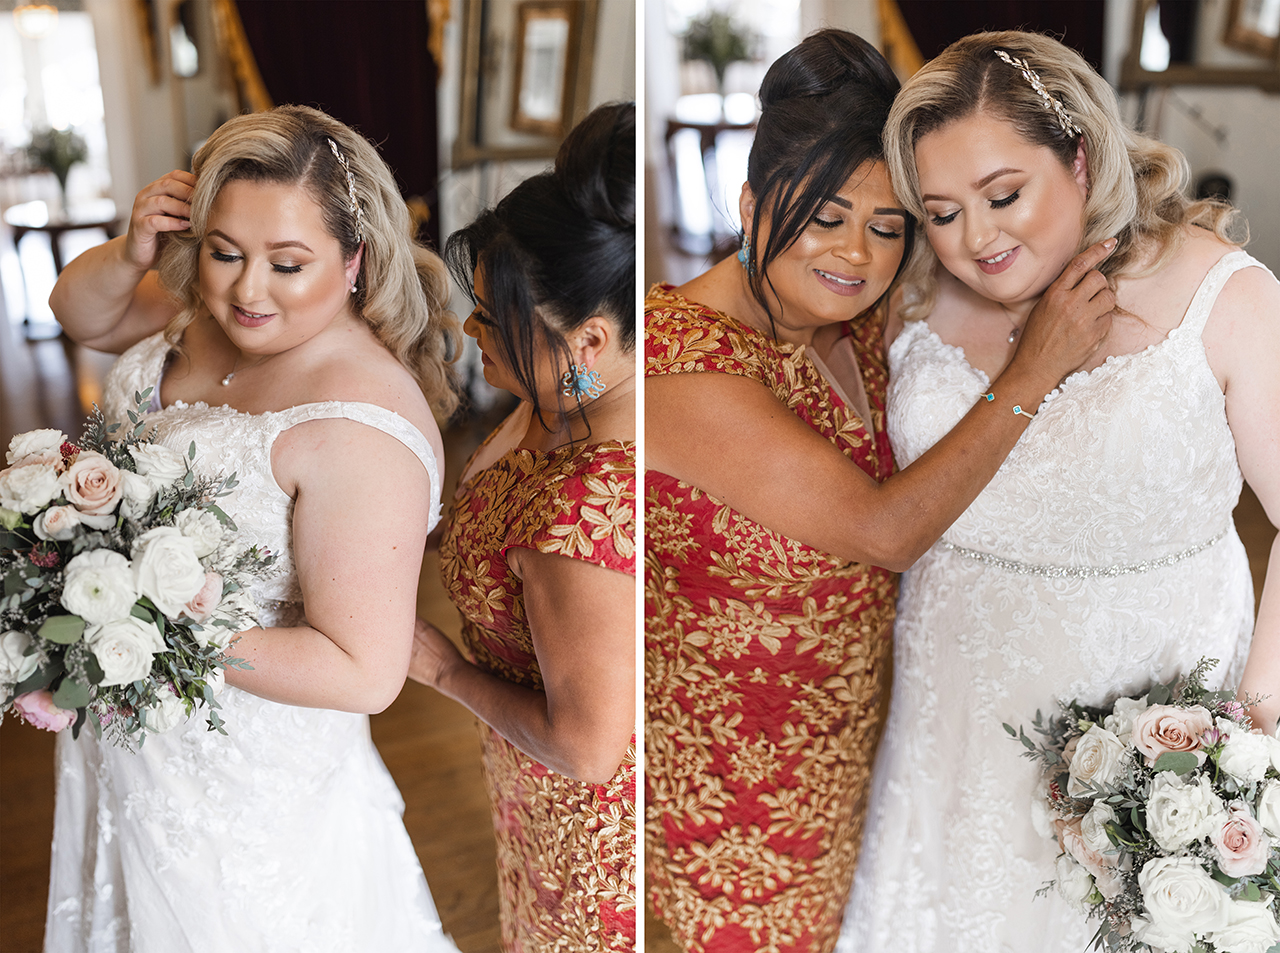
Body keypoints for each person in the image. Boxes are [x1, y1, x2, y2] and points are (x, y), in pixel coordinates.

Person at [644, 29, 1118, 953]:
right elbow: (883, 530)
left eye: (889, 225)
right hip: (736, 783)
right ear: (749, 203)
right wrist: (1033, 371)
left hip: (866, 742)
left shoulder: (856, 321)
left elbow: (1012, 214)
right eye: (824, 218)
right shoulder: (680, 361)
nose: (856, 254)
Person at [839, 30, 1280, 953]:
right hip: (951, 724)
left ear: (1079, 156)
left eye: (1004, 195)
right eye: (942, 211)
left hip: (1151, 733)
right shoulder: (909, 289)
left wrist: (1244, 743)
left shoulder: (1223, 296)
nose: (976, 240)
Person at [44, 105, 462, 952]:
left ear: (355, 259)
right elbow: (78, 313)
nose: (246, 289)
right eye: (225, 251)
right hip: (133, 746)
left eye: (288, 263)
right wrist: (132, 250)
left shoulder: (362, 422)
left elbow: (362, 670)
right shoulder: (204, 312)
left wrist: (145, 625)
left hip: (244, 794)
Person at [407, 102, 637, 952]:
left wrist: (444, 669)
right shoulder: (555, 396)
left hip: (589, 840)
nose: (474, 330)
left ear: (589, 339)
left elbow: (587, 749)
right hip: (525, 781)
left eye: (493, 317)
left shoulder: (584, 508)